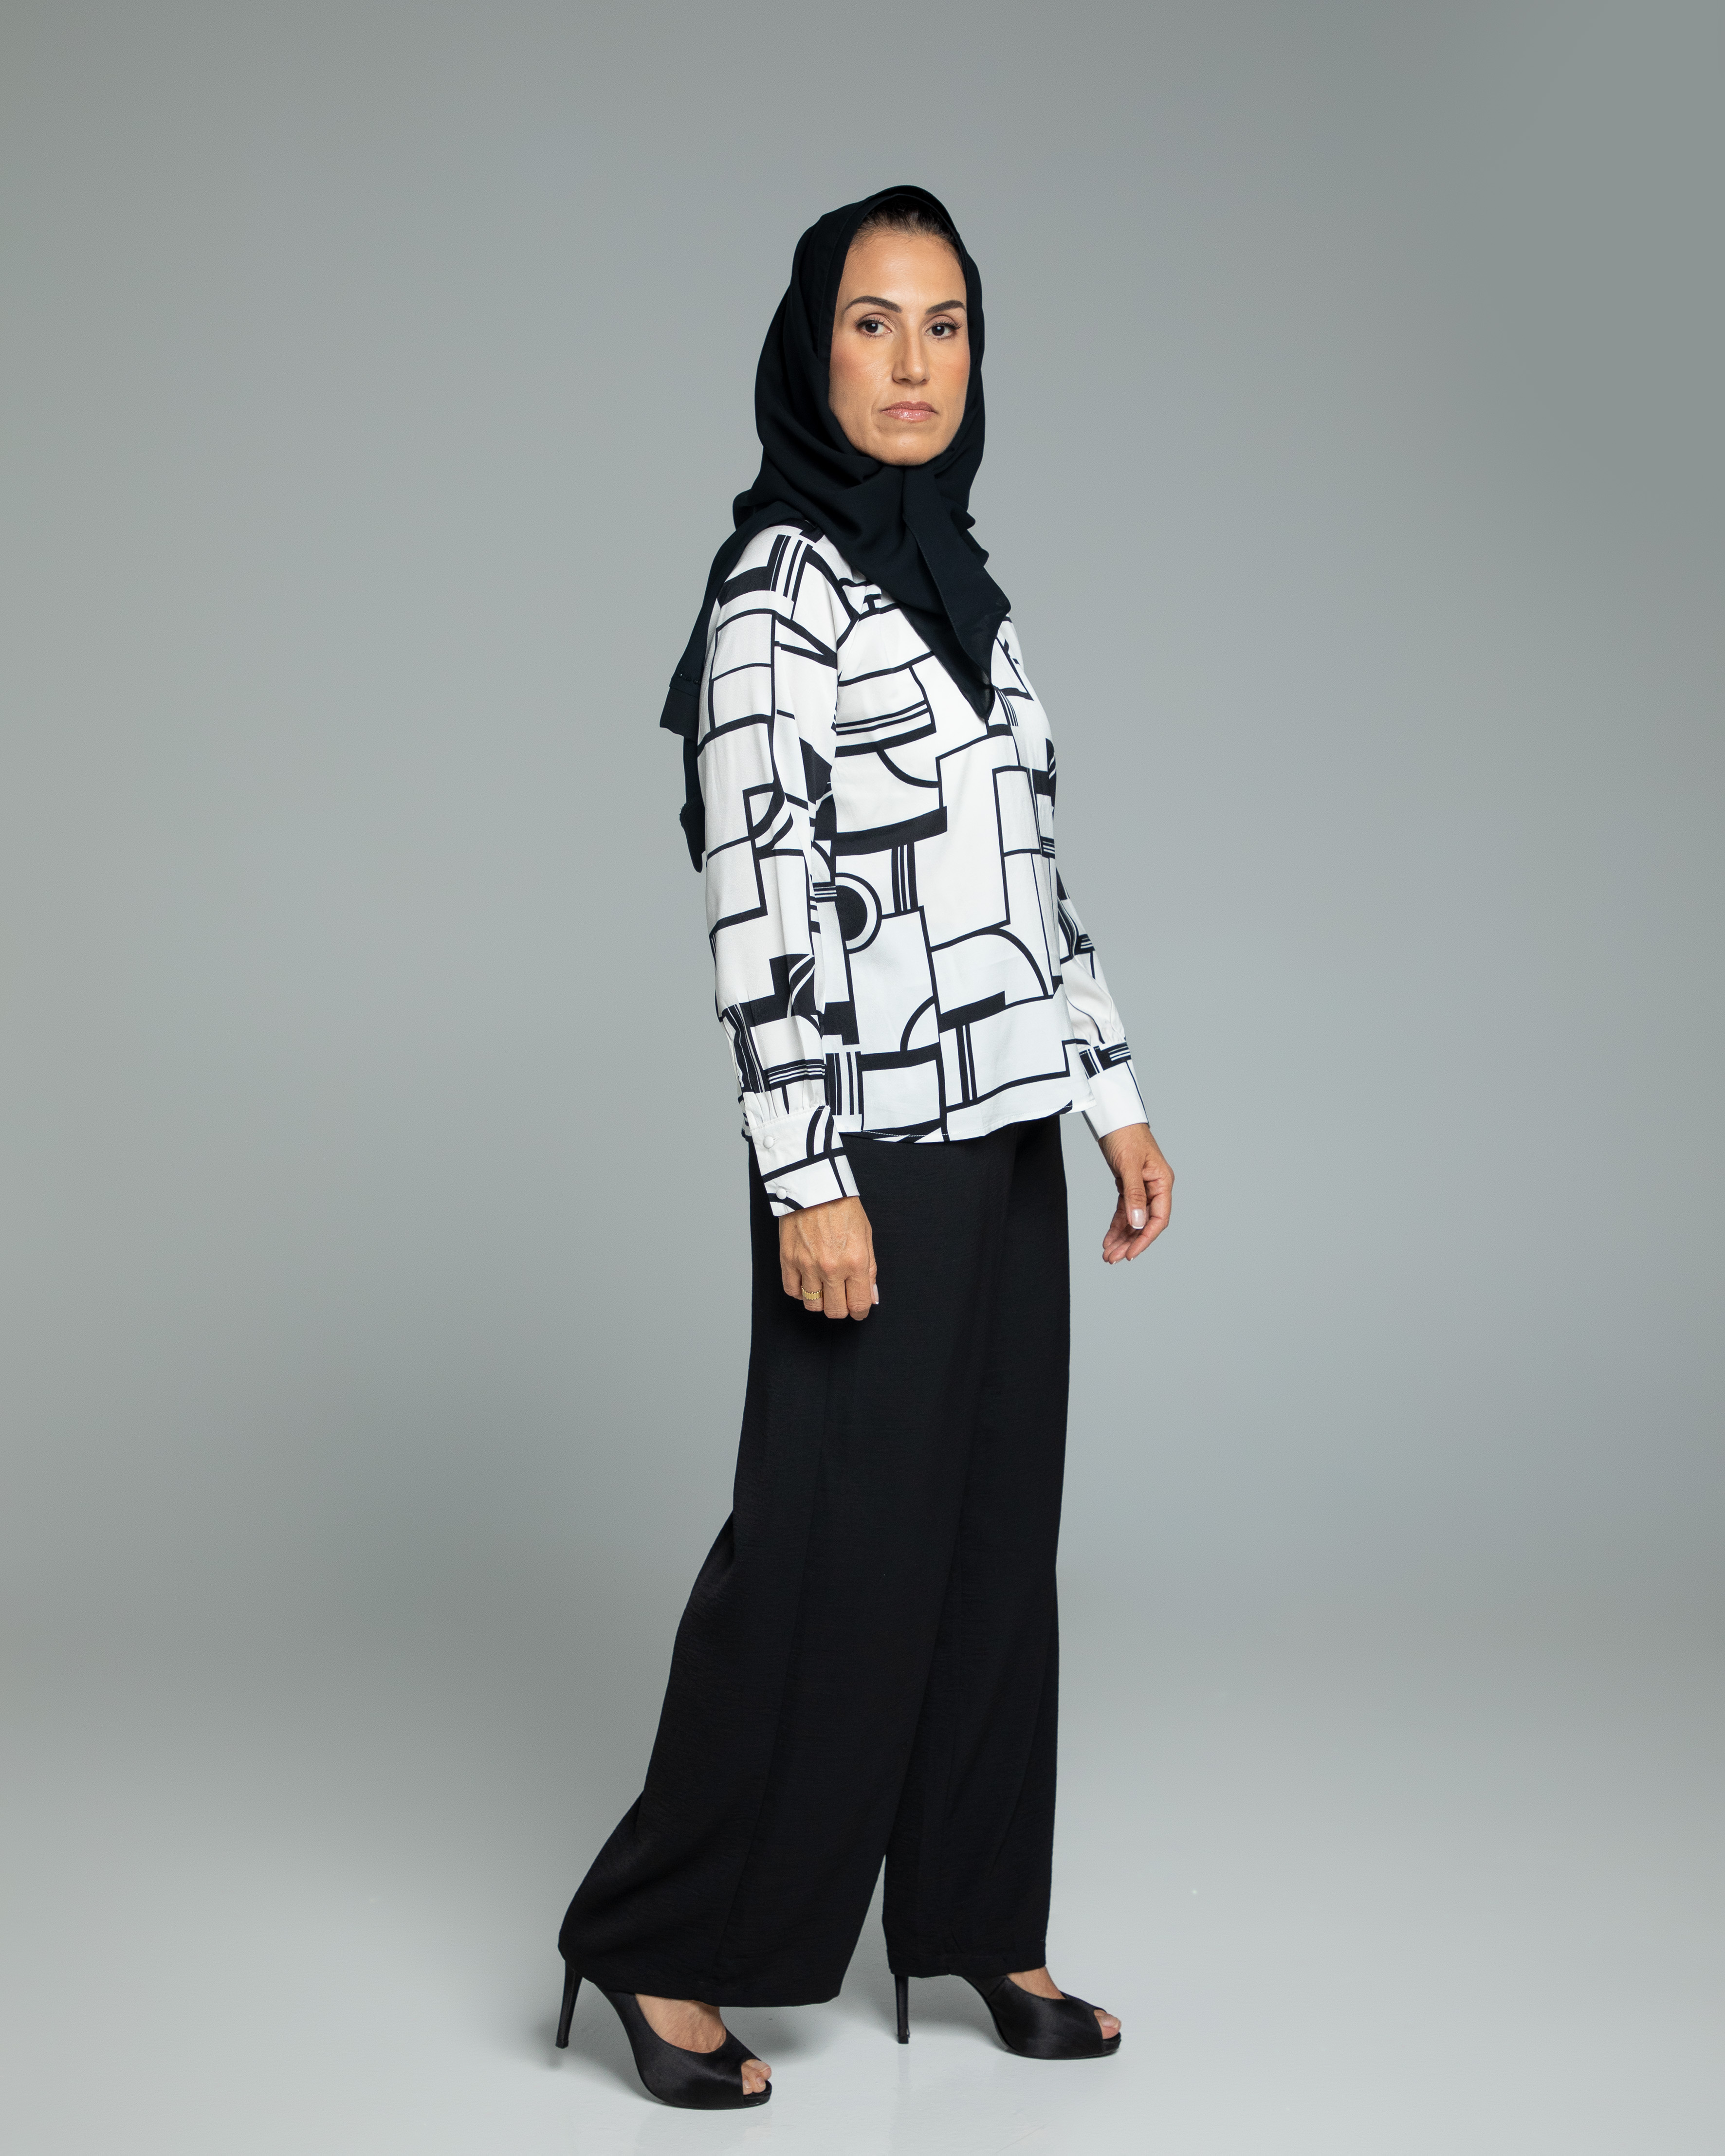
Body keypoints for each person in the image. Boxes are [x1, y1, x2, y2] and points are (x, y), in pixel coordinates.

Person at [554, 184, 1173, 2111]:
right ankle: (654, 1939)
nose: (912, 365)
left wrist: (1113, 1095)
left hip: (1003, 1138)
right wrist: (801, 1171)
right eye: (872, 323)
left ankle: (978, 1918)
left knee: (991, 1547)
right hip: (869, 1151)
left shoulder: (961, 587)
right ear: (809, 351)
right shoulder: (777, 594)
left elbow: (1029, 881)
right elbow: (761, 903)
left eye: (945, 326)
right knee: (827, 1555)